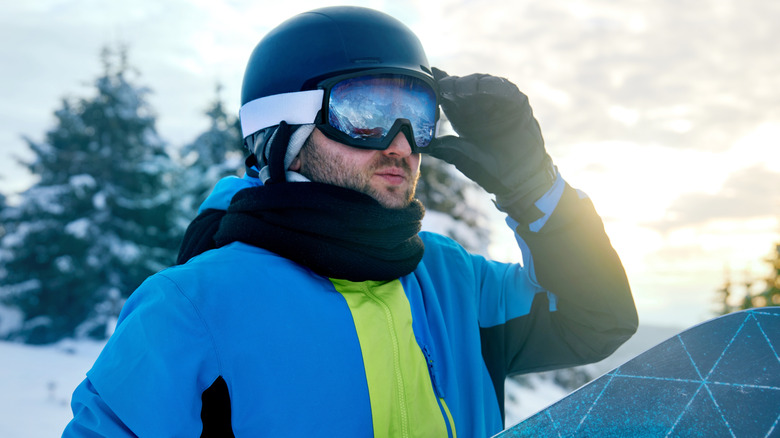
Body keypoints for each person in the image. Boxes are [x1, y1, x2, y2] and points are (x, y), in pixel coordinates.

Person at [64, 6, 637, 437]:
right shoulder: (192, 304)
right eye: (365, 112)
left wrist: (535, 189)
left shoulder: (453, 281)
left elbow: (597, 319)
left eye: (416, 115)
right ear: (282, 132)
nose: (401, 144)